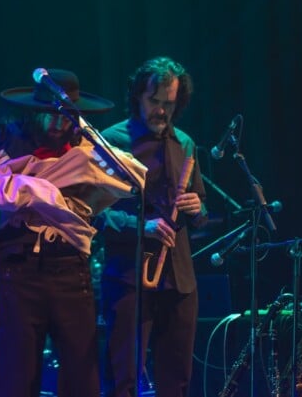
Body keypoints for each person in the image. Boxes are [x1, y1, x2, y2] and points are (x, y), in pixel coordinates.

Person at [0, 69, 146, 397]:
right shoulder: (10, 147)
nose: (57, 124)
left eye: (65, 117)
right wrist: (25, 187)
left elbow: (134, 181)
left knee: (81, 376)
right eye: (49, 116)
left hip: (71, 270)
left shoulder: (89, 152)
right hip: (20, 269)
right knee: (16, 375)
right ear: (35, 112)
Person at [97, 56, 208, 397]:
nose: (161, 111)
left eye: (169, 104)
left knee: (177, 379)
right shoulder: (111, 141)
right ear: (138, 97)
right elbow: (92, 212)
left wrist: (196, 207)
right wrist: (140, 226)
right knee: (123, 378)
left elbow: (201, 214)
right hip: (131, 276)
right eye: (154, 101)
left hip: (179, 279)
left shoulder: (185, 143)